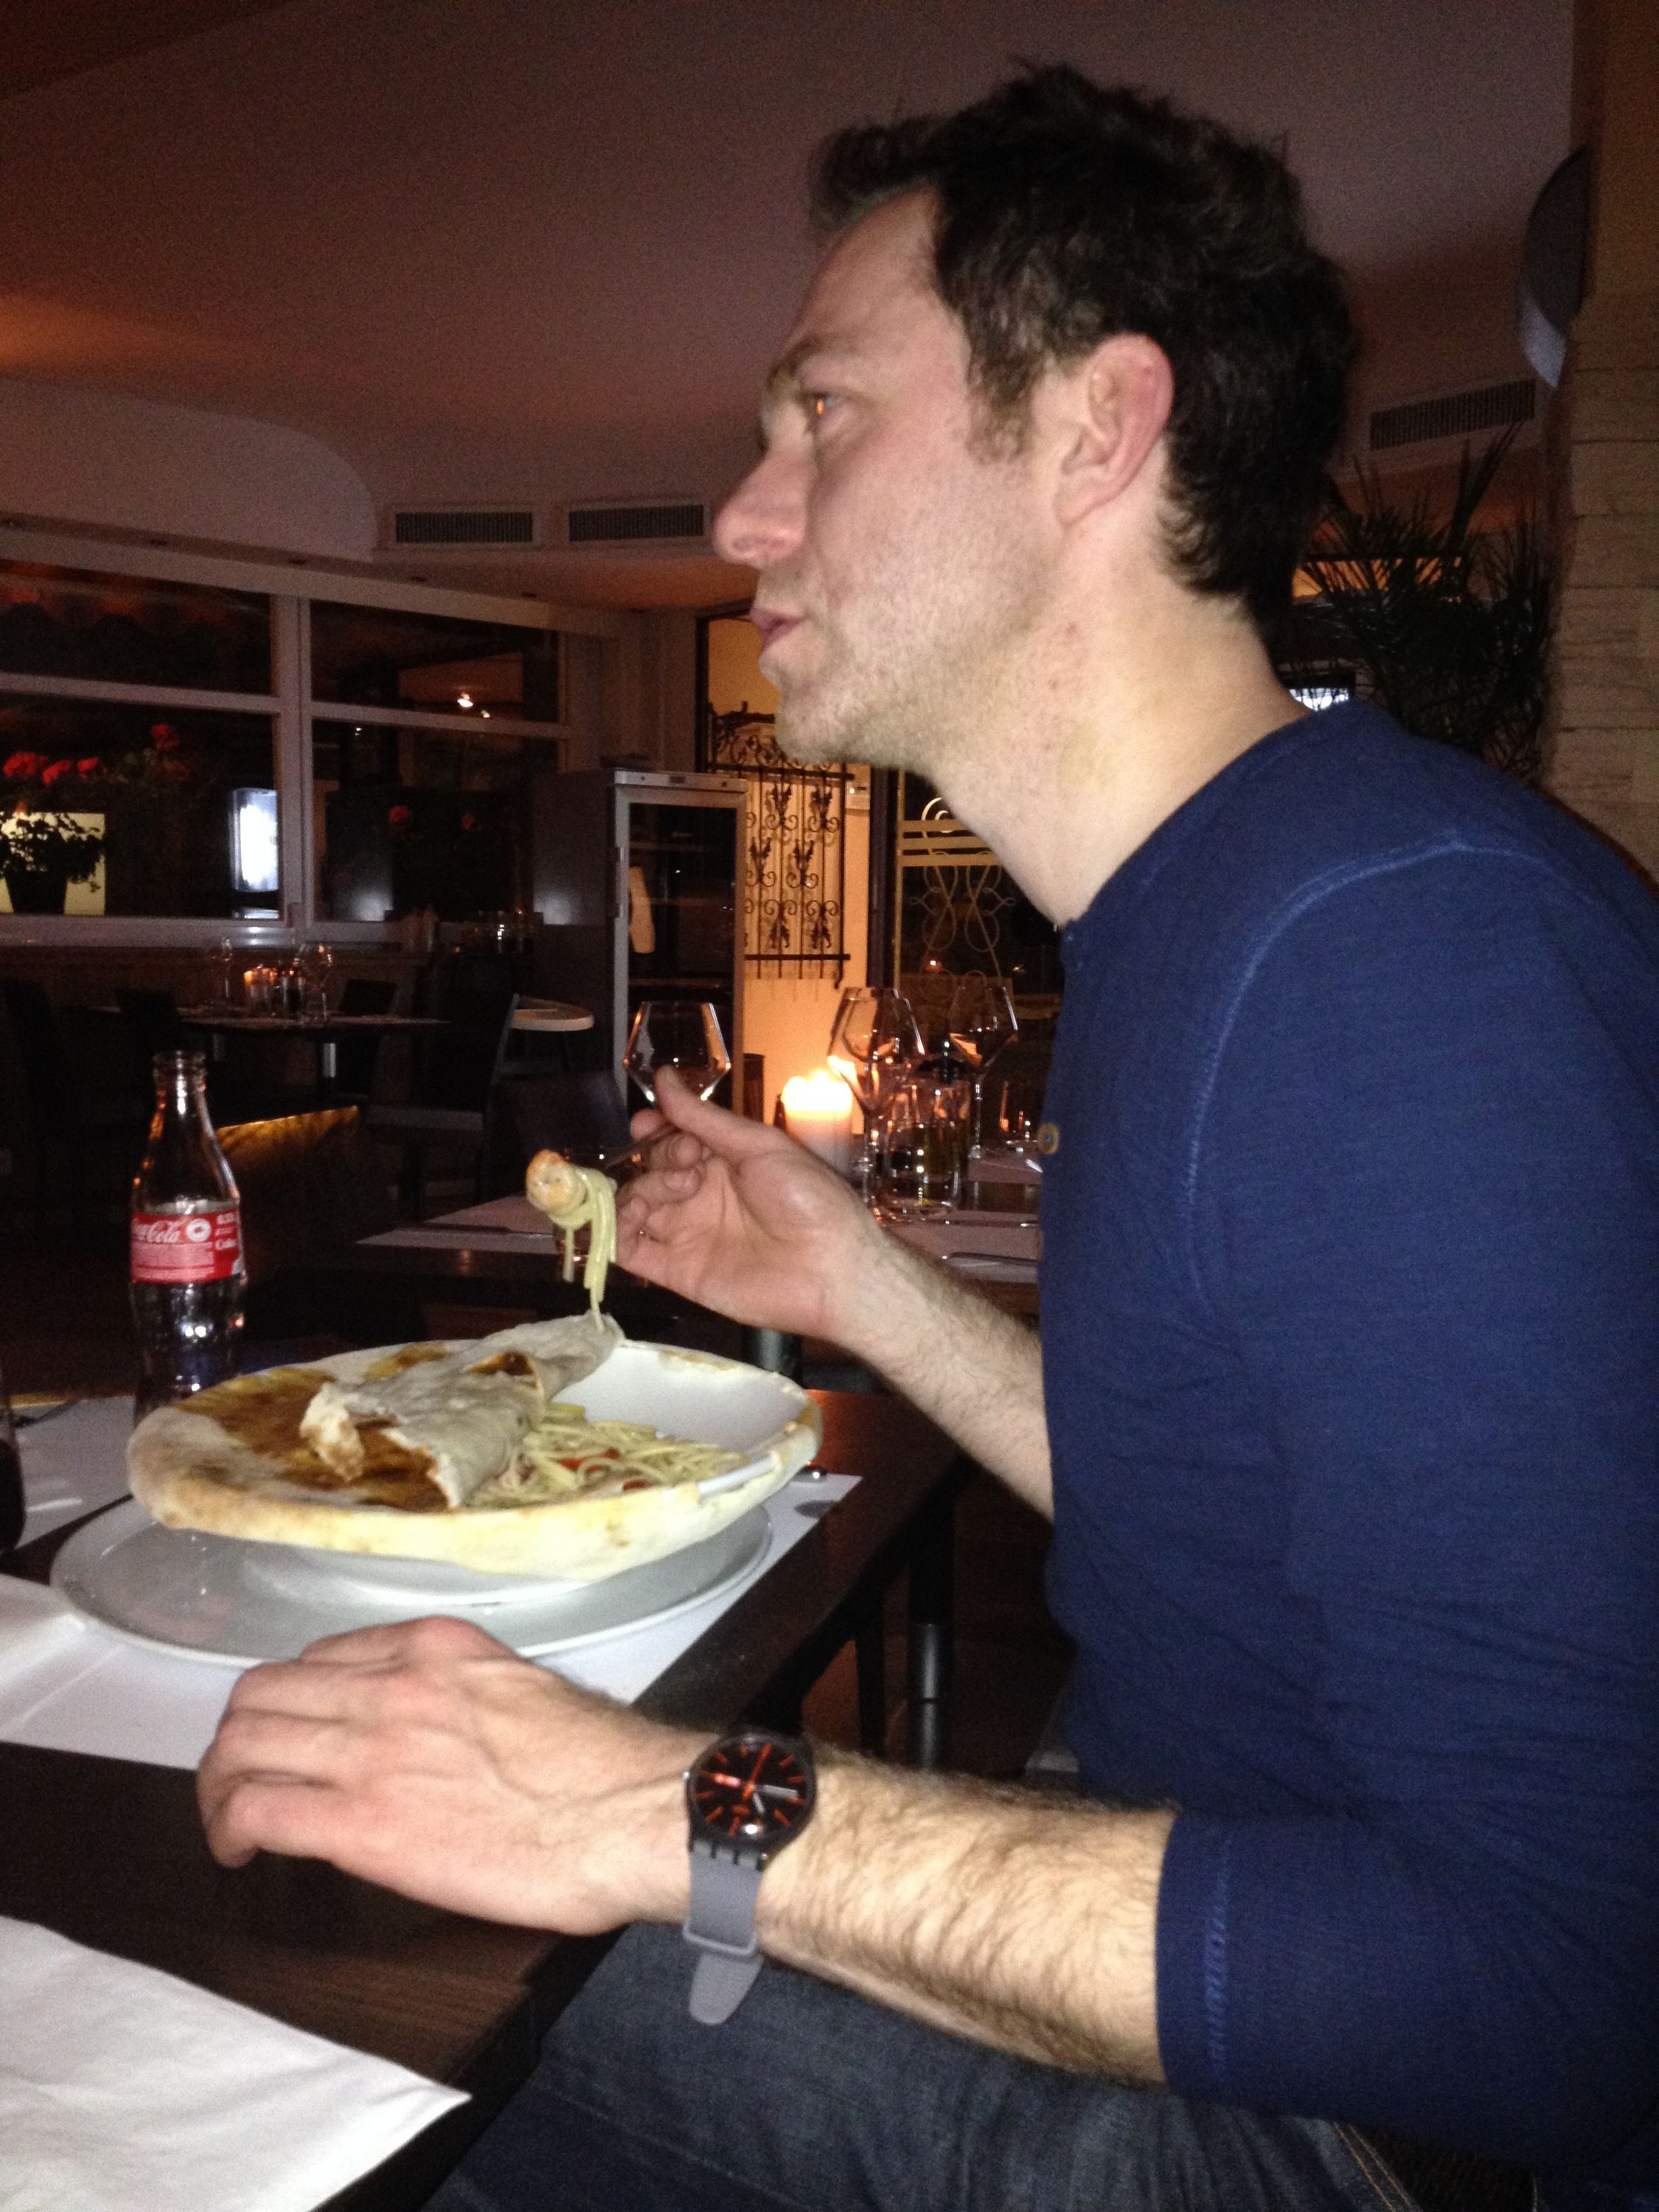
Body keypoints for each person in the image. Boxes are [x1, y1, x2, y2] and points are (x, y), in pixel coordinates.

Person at [195, 67, 1659, 2212]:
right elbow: (1229, 1515)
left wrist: (659, 1809)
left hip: (1346, 2141)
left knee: (314, 1949)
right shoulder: (1219, 914)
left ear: (1097, 426)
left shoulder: (1400, 962)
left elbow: (1559, 1992)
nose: (741, 515)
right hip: (1196, 1911)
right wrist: (860, 1285)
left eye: (824, 417)